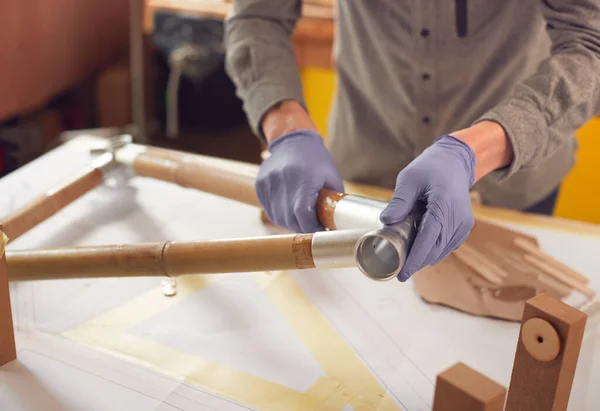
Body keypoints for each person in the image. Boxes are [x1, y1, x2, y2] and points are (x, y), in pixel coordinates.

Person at [223, 1, 600, 281]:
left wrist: (474, 151)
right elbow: (258, 16)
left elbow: (591, 45)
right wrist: (287, 130)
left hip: (511, 188)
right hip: (360, 178)